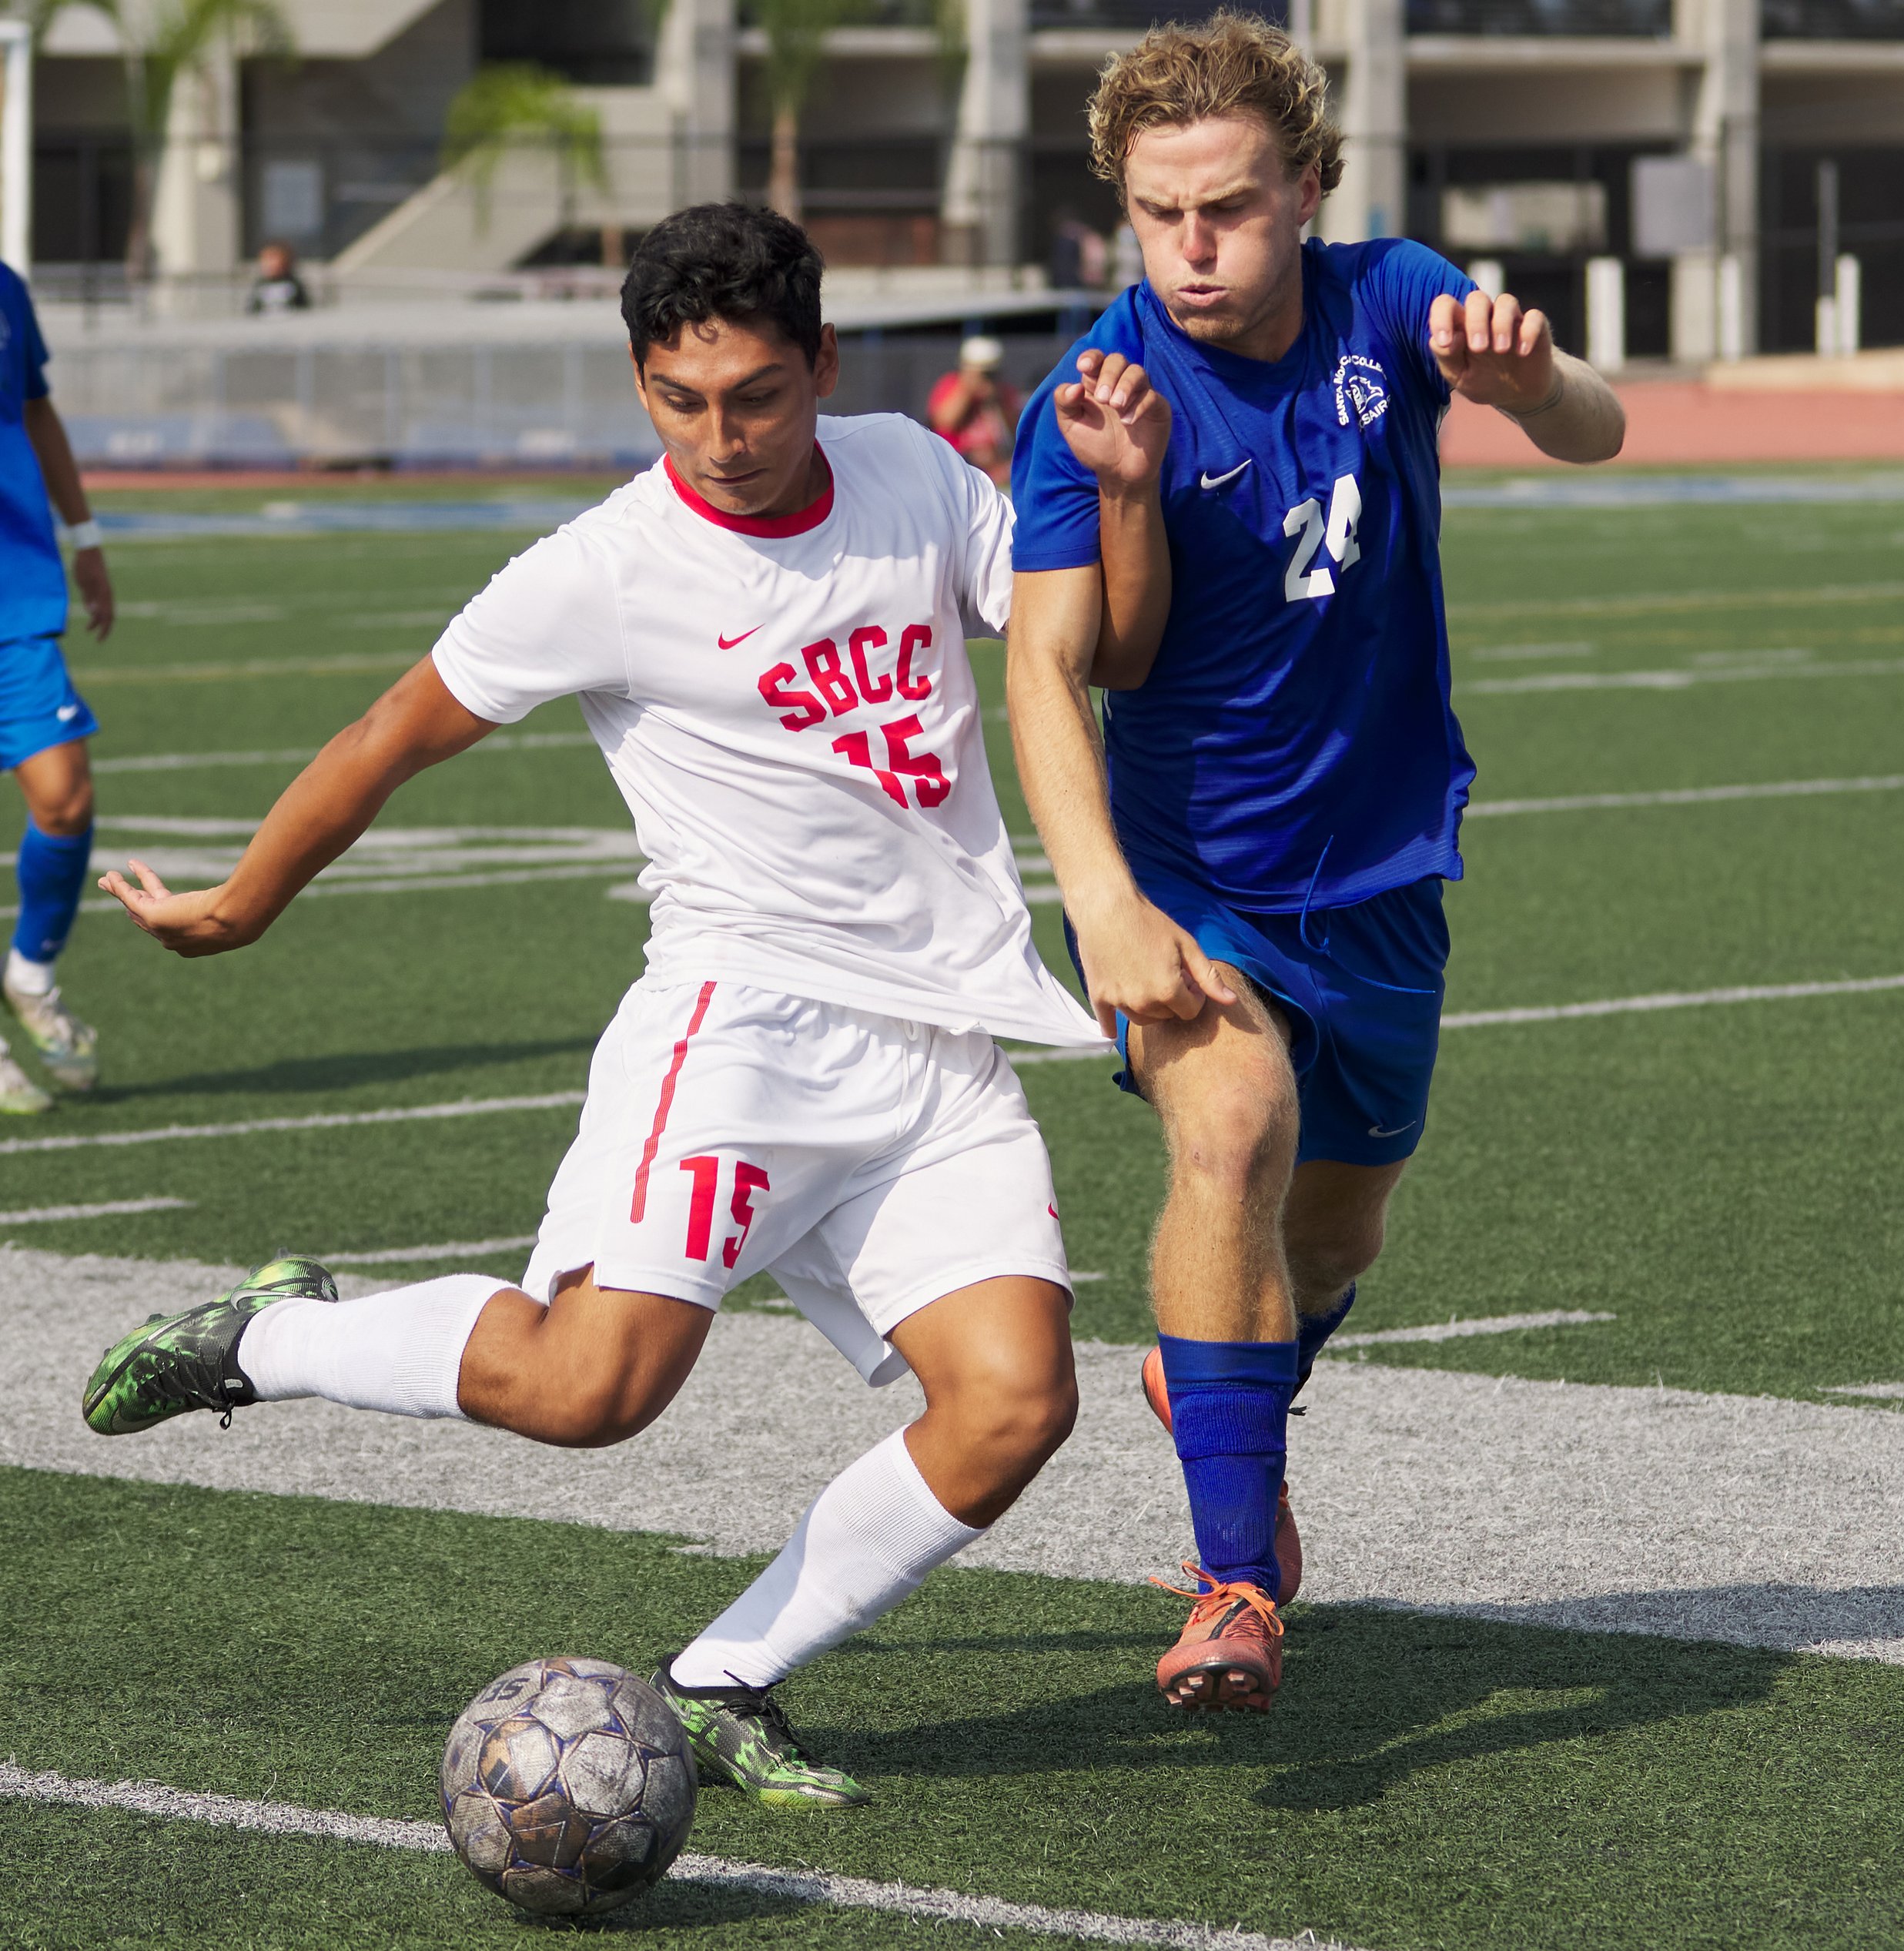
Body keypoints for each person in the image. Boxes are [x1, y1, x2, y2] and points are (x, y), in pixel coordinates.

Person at [79, 203, 1168, 1805]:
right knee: (588, 1391)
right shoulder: (606, 566)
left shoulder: (917, 477)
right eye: (677, 399)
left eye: (754, 396)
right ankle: (270, 1335)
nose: (718, 438)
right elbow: (397, 729)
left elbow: (1106, 652)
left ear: (823, 365)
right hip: (738, 1032)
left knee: (1015, 1402)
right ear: (640, 382)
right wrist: (244, 900)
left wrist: (1127, 497)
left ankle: (724, 1679)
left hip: (935, 1048)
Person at [1004, 12, 1625, 1715]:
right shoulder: (1096, 389)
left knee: (1334, 1239)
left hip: (1383, 870)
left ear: (1310, 190)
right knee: (1233, 1134)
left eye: (1229, 208)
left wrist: (1529, 381)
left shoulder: (1391, 296)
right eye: (1155, 214)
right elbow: (1051, 672)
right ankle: (1228, 1582)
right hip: (1187, 872)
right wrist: (1107, 905)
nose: (1191, 248)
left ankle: (1213, 1378)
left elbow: (1596, 430)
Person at [0, 257, 115, 1116]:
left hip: (15, 589)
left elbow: (36, 408)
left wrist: (84, 534)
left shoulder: (7, 287)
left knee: (65, 797)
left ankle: (31, 976)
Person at [927, 335, 1022, 485]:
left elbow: (1014, 432)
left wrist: (996, 399)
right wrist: (969, 389)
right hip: (957, 462)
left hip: (995, 468)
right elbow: (945, 422)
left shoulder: (1003, 392)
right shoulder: (951, 385)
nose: (986, 378)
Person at [246, 242, 311, 314]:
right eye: (266, 260)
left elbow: (303, 307)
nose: (270, 264)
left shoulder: (293, 284)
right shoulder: (260, 285)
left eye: (274, 259)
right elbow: (254, 309)